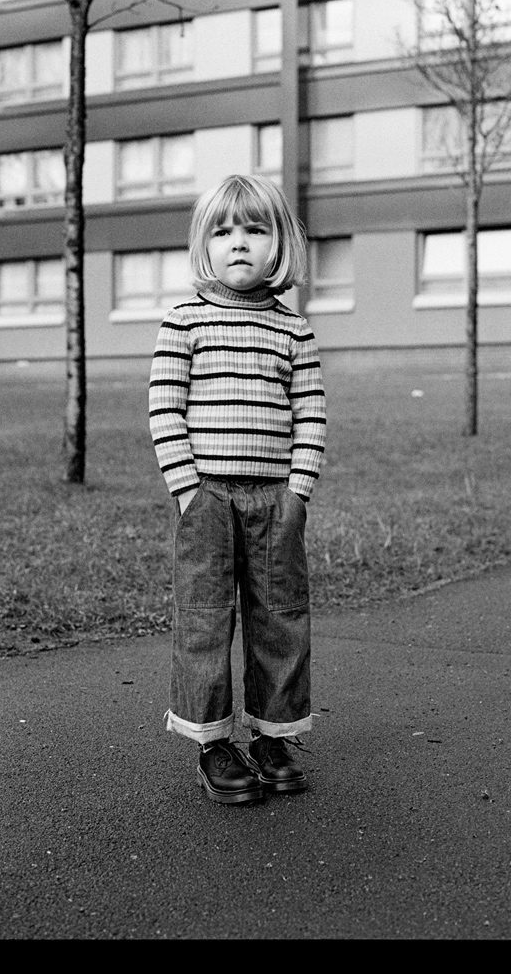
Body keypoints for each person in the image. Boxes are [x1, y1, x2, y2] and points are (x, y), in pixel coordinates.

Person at [149, 174, 327, 804]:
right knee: (205, 618)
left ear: (280, 242)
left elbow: (310, 415)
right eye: (223, 231)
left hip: (274, 500)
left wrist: (298, 492)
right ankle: (213, 742)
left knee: (279, 618)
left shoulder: (294, 330)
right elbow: (165, 410)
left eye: (255, 229)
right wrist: (187, 490)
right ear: (204, 245)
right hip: (207, 498)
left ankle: (273, 734)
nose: (240, 243)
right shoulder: (184, 322)